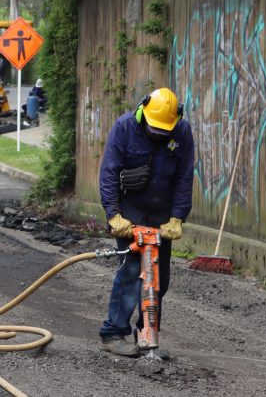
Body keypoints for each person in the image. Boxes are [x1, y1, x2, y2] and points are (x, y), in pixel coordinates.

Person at [98, 87, 194, 358]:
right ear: (144, 112)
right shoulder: (125, 128)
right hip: (130, 212)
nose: (159, 135)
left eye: (164, 131)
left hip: (161, 216)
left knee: (159, 280)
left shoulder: (182, 132)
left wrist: (177, 217)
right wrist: (113, 215)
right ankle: (113, 333)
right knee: (130, 273)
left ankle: (147, 335)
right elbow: (109, 172)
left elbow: (184, 177)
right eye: (155, 129)